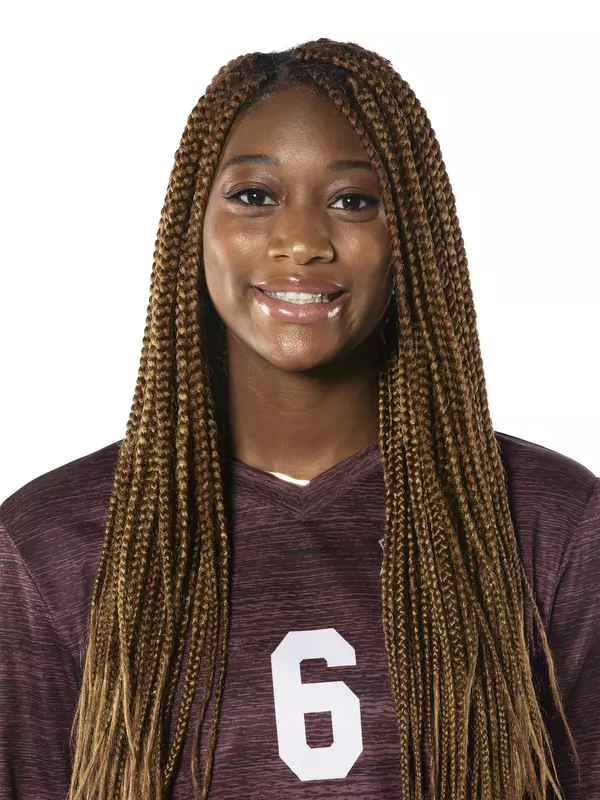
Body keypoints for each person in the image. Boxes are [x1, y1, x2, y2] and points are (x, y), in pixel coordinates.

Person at [0, 38, 598, 800]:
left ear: (410, 235)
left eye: (354, 201)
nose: (302, 242)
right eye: (254, 196)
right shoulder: (51, 542)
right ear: (195, 224)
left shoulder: (551, 521)